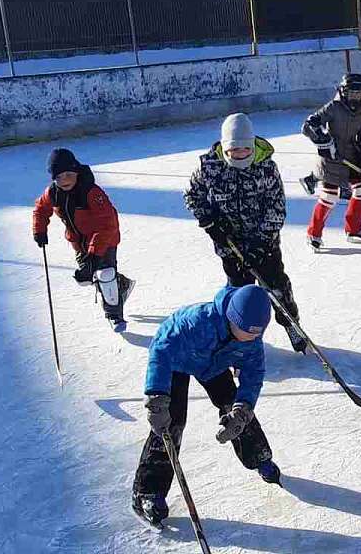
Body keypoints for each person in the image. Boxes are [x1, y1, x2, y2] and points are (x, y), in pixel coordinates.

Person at [131, 285, 282, 528]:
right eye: (244, 332)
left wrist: (242, 408)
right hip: (177, 362)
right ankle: (147, 493)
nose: (249, 338)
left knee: (236, 410)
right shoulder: (197, 322)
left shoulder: (251, 342)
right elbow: (160, 349)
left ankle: (259, 456)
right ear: (231, 318)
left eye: (255, 334)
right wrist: (157, 397)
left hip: (213, 366)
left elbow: (253, 376)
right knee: (171, 422)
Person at [184, 112, 307, 354]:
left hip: (264, 243)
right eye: (234, 150)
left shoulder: (266, 168)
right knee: (239, 294)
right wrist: (210, 223)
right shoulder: (209, 167)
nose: (240, 155)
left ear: (252, 146)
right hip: (229, 244)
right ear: (224, 148)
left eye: (245, 150)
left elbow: (276, 208)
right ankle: (241, 337)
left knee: (277, 287)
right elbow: (192, 196)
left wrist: (261, 244)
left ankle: (291, 324)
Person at [32, 148, 134, 331]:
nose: (64, 180)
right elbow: (40, 209)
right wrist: (39, 230)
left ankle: (114, 316)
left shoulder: (91, 192)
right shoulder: (53, 193)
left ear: (77, 171)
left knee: (105, 274)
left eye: (68, 174)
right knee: (86, 277)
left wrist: (95, 255)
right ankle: (121, 284)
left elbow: (107, 224)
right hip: (79, 243)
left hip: (105, 239)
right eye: (59, 177)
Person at [300, 73, 361, 251]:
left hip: (351, 157)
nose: (354, 96)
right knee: (329, 196)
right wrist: (324, 141)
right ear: (343, 92)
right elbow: (308, 125)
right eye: (351, 93)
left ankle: (354, 229)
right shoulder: (333, 107)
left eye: (358, 93)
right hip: (330, 159)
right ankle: (313, 233)